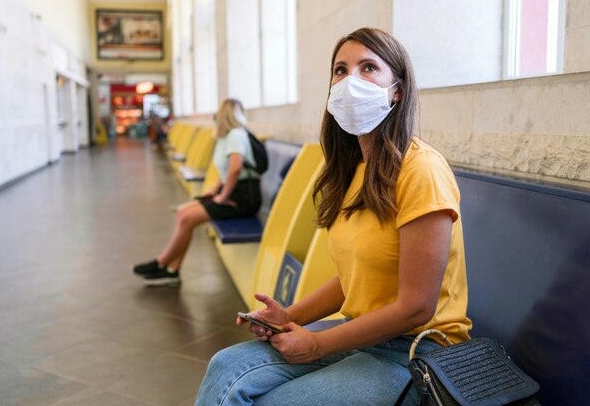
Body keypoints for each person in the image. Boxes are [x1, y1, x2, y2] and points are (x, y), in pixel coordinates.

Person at [194, 27, 472, 405]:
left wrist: (317, 344)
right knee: (225, 366)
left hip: (415, 351)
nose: (350, 81)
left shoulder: (421, 170)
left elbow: (416, 307)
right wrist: (288, 315)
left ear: (398, 91)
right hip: (362, 335)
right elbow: (353, 279)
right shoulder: (354, 168)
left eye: (368, 68)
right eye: (340, 70)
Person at [133, 98, 262, 286]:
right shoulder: (227, 136)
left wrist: (222, 197)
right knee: (182, 214)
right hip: (233, 191)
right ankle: (171, 270)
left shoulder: (236, 135)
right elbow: (227, 171)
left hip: (242, 198)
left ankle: (162, 262)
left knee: (186, 219)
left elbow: (235, 168)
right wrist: (215, 190)